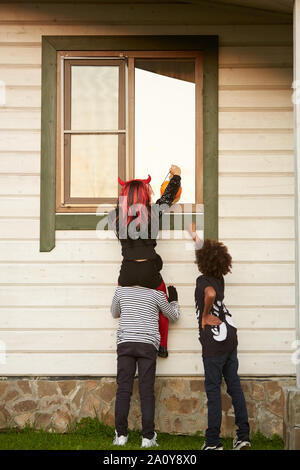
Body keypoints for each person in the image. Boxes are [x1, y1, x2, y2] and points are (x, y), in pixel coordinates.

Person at [108, 165, 181, 358]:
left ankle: (129, 338)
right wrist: (177, 176)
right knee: (162, 303)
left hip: (128, 271)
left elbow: (121, 205)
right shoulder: (153, 212)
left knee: (124, 303)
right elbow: (168, 197)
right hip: (149, 269)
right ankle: (162, 346)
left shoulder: (116, 217)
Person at [188, 225, 251, 451]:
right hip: (230, 337)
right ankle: (243, 436)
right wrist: (195, 235)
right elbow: (206, 252)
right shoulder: (219, 278)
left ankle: (213, 442)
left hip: (214, 344)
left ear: (202, 263)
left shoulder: (203, 281)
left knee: (213, 390)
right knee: (234, 385)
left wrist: (205, 315)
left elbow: (210, 295)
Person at [111, 283, 180, 447]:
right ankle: (147, 438)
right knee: (146, 390)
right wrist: (174, 300)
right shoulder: (156, 294)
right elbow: (173, 316)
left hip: (126, 342)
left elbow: (114, 313)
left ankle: (121, 436)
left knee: (123, 389)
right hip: (147, 344)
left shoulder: (121, 290)